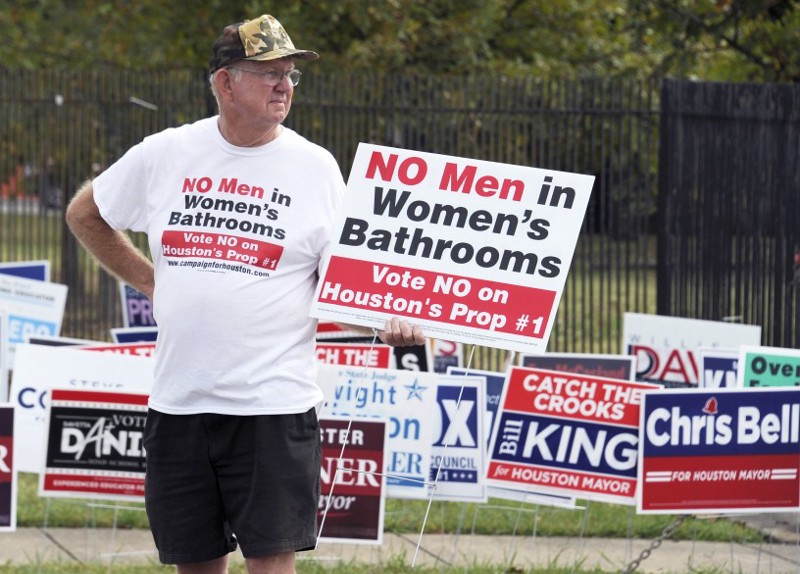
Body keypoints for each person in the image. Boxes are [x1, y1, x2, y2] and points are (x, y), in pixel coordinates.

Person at [66, 14, 424, 574]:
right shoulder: (167, 152)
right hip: (180, 403)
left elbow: (344, 284)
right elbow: (86, 213)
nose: (284, 86)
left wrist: (386, 321)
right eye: (269, 73)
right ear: (225, 82)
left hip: (273, 409)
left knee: (272, 564)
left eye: (290, 75)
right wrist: (149, 280)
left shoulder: (315, 168)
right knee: (195, 563)